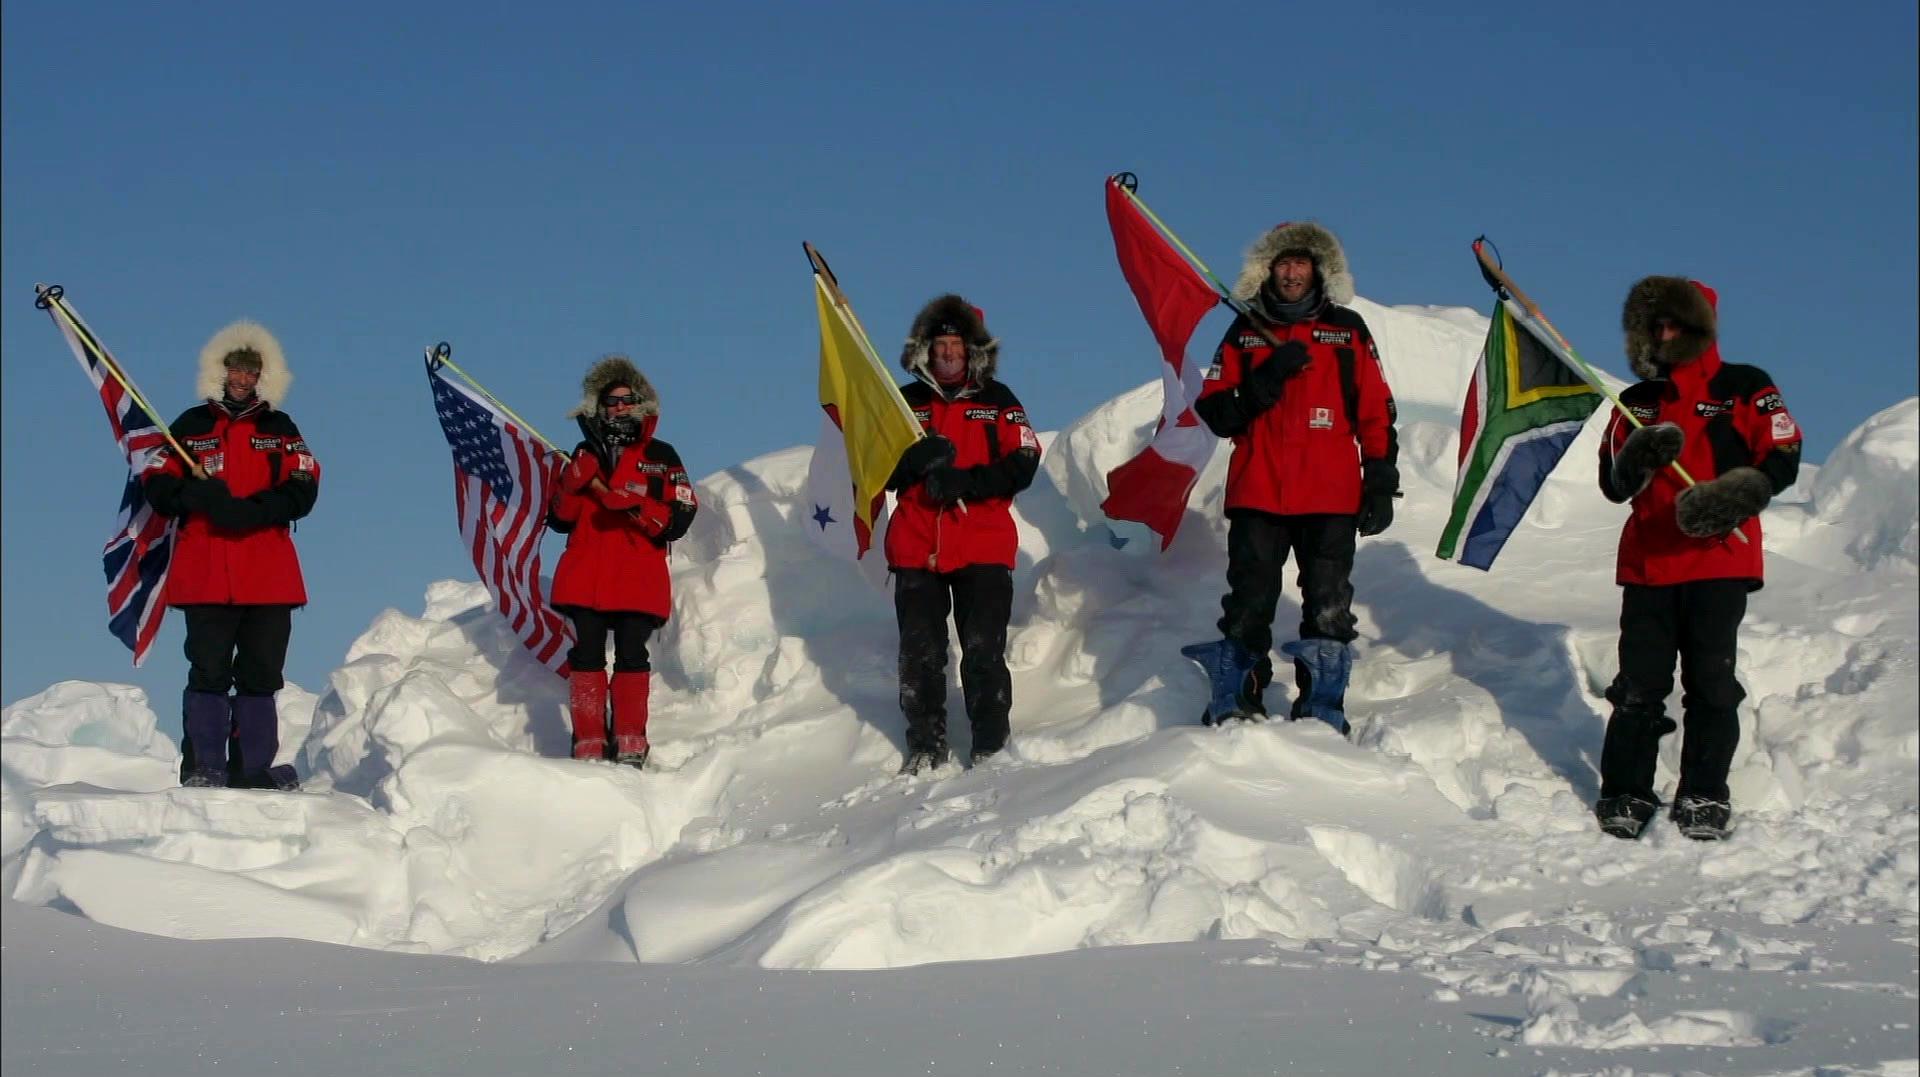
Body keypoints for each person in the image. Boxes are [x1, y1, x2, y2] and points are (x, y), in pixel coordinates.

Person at [1592, 276, 1800, 841]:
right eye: (1655, 324)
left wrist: (1734, 496)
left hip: (1719, 560)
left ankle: (1704, 793)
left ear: (1700, 325)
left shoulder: (1745, 386)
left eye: (1675, 323)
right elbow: (1613, 483)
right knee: (1639, 684)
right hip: (1649, 564)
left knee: (1711, 682)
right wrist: (1637, 457)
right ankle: (1625, 792)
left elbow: (1784, 452)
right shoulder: (1636, 401)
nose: (1664, 334)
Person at [1185, 221, 1398, 735]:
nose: (1293, 272)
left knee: (1328, 603)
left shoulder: (1348, 330)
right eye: (1284, 263)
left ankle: (1322, 706)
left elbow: (1375, 409)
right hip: (1259, 491)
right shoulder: (1243, 331)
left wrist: (1380, 477)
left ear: (1319, 269)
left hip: (1331, 494)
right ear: (1268, 270)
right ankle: (1239, 696)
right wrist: (1266, 377)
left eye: (1302, 262)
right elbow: (1216, 411)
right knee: (1248, 602)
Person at [142, 321, 319, 789]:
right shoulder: (190, 426)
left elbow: (305, 484)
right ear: (219, 370)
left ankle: (252, 768)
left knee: (262, 673)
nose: (242, 378)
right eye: (235, 369)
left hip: (269, 574)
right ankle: (204, 766)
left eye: (251, 370)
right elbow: (157, 481)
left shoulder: (280, 428)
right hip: (205, 571)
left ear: (265, 375)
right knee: (209, 670)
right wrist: (198, 498)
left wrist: (258, 510)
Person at [884, 295, 1041, 775]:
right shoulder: (903, 404)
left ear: (973, 351)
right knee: (920, 653)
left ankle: (990, 744)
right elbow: (870, 466)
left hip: (983, 542)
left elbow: (1026, 460)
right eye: (940, 345)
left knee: (982, 649)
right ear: (925, 351)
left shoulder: (999, 401)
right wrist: (906, 462)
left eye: (957, 344)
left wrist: (967, 481)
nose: (948, 353)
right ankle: (926, 744)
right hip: (915, 545)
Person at [549, 355, 697, 769]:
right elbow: (559, 519)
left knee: (632, 654)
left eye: (626, 400)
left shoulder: (662, 455)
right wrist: (572, 485)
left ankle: (631, 737)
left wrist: (635, 503)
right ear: (599, 405)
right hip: (587, 573)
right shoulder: (583, 451)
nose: (619, 408)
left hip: (638, 575)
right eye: (611, 401)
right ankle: (589, 740)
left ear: (641, 403)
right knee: (587, 654)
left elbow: (680, 516)